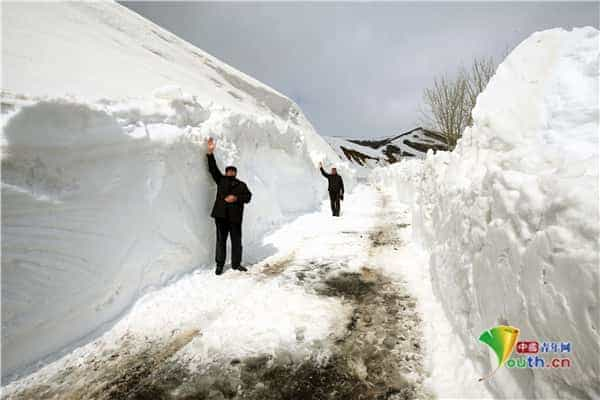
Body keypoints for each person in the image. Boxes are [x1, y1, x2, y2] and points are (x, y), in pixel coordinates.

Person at [206, 137, 252, 275]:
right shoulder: (221, 180)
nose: (230, 172)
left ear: (236, 173)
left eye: (233, 170)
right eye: (228, 170)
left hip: (235, 219)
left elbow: (248, 197)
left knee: (236, 242)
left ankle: (236, 264)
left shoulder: (242, 185)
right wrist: (210, 153)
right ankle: (219, 265)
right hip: (221, 217)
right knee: (221, 242)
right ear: (226, 172)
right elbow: (213, 169)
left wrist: (236, 197)